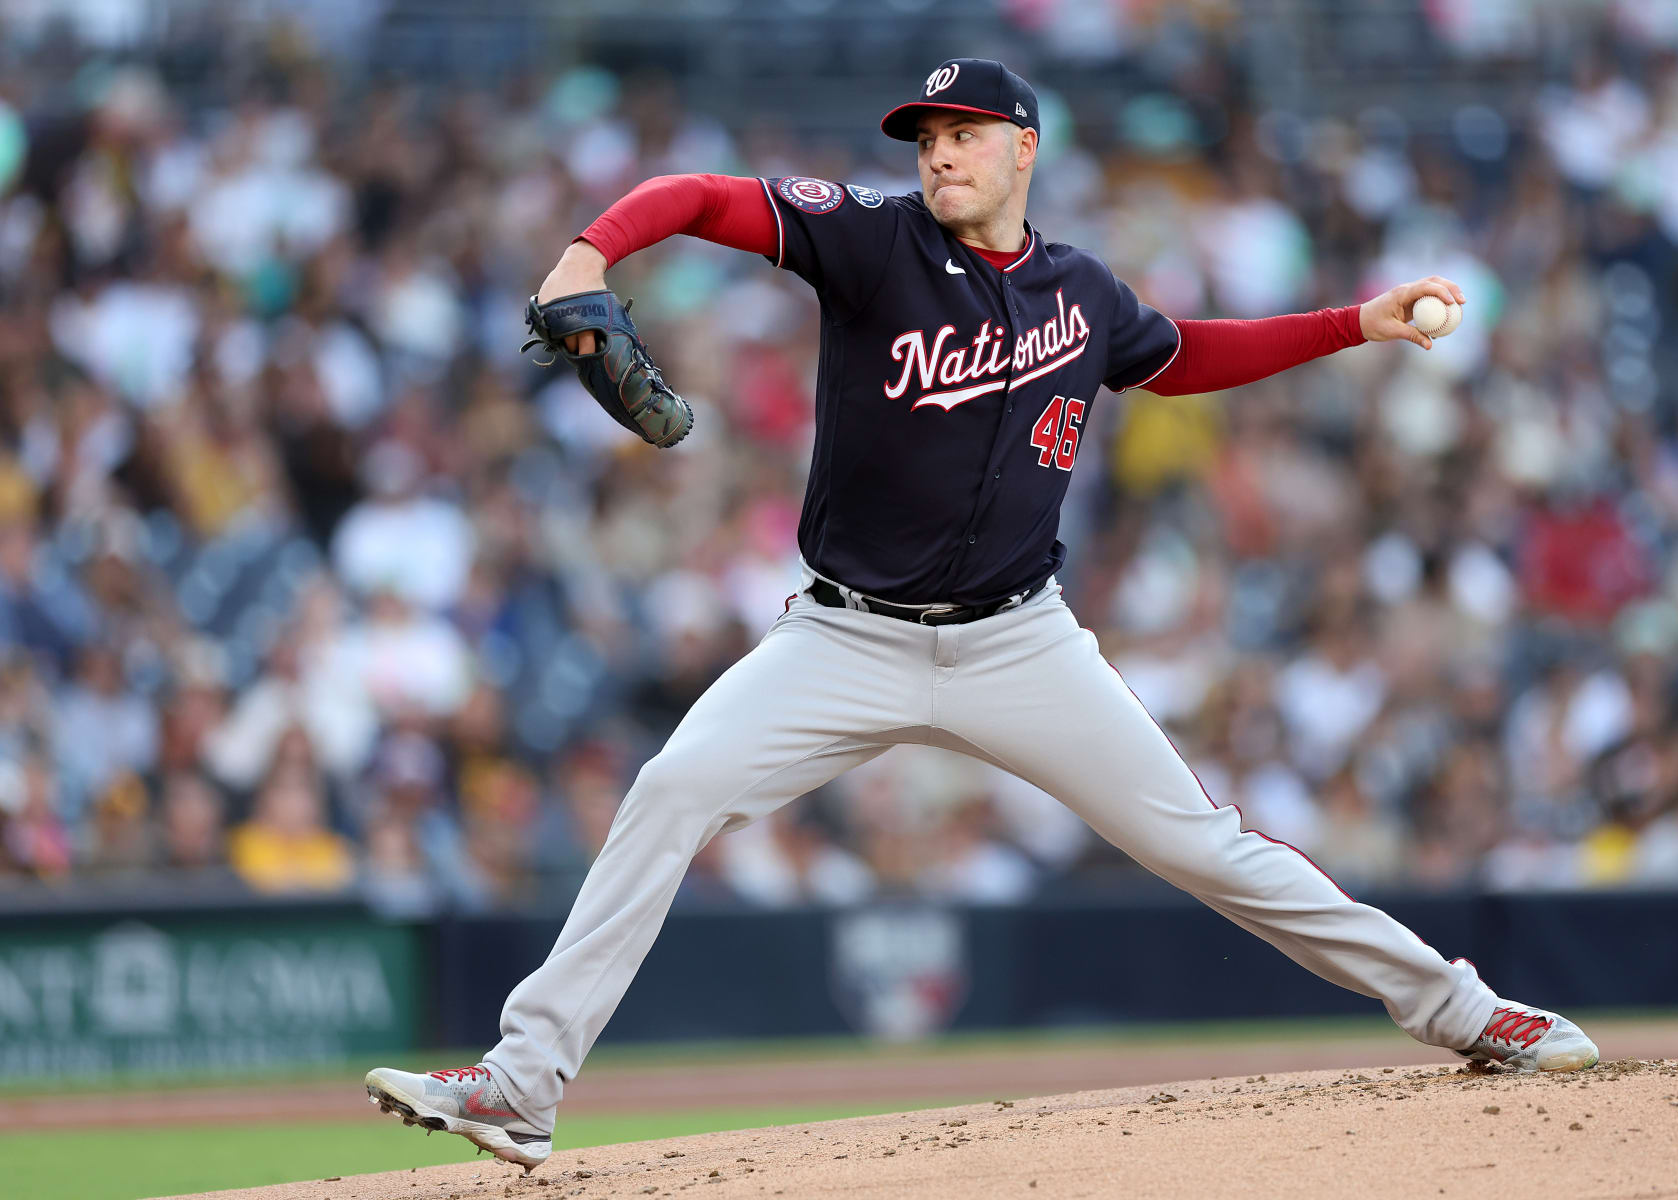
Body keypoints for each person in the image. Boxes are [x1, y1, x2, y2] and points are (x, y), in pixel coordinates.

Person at [365, 59, 1598, 1170]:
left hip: (1021, 641)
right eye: (924, 138)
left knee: (1206, 848)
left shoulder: (1081, 291)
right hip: (843, 637)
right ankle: (521, 1086)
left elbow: (1186, 356)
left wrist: (1351, 323)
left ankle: (1464, 1009)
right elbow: (695, 194)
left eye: (962, 133)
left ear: (1024, 147)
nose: (937, 154)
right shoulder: (870, 244)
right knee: (672, 790)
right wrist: (589, 254)